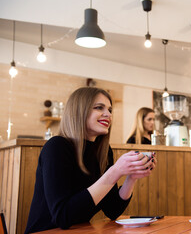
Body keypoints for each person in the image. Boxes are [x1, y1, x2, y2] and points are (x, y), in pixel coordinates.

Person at [25, 87, 156, 233]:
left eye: (110, 110)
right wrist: (115, 171)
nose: (108, 114)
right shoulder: (57, 147)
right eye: (99, 108)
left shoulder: (104, 153)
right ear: (79, 111)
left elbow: (113, 210)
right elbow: (63, 217)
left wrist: (131, 177)